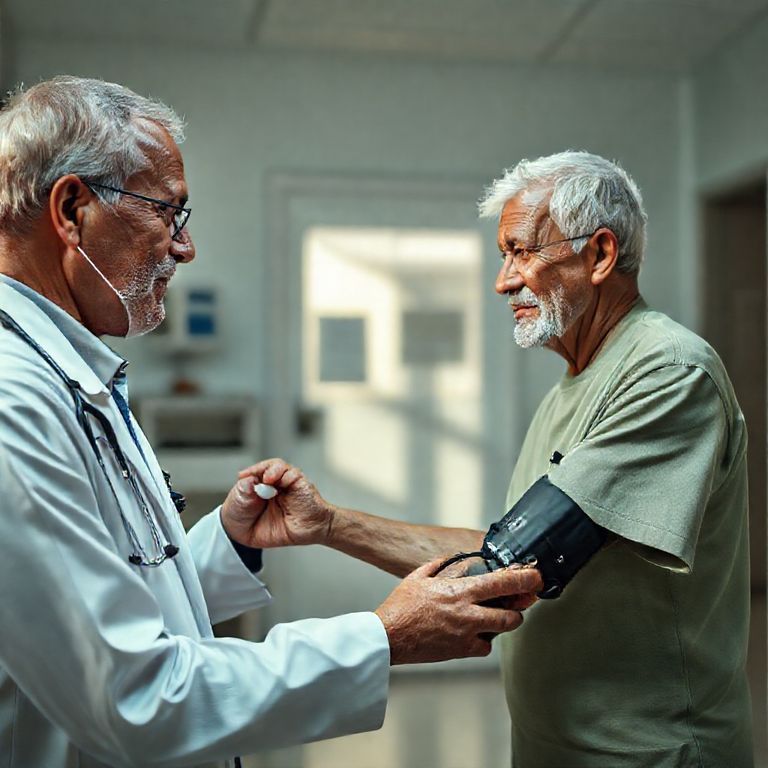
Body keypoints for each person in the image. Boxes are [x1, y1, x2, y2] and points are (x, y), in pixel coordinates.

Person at [0, 76, 543, 768]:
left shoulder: (73, 373)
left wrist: (228, 543)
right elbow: (135, 698)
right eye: (168, 213)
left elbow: (116, 597)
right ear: (73, 209)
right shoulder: (13, 401)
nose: (184, 247)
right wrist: (384, 637)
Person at [251, 152, 753, 767]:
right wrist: (328, 525)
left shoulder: (668, 372)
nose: (503, 280)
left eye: (521, 252)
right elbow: (501, 548)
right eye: (502, 255)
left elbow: (511, 566)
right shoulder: (574, 381)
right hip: (560, 741)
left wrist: (360, 642)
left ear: (598, 256)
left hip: (645, 749)